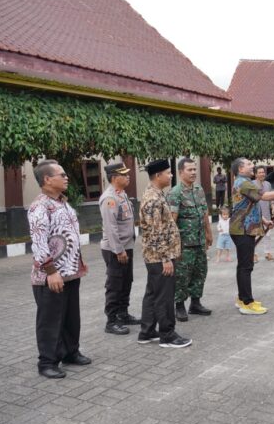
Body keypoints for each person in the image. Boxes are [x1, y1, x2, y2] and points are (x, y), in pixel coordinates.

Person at [28, 160, 90, 379]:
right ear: (47, 179)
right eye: (61, 175)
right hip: (50, 275)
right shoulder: (39, 207)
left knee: (71, 318)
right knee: (50, 320)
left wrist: (78, 263)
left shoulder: (63, 202)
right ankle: (47, 362)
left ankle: (70, 352)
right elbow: (39, 242)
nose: (66, 178)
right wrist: (51, 271)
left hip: (70, 272)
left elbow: (68, 235)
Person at [230, 157, 274, 315]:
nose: (253, 166)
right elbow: (265, 196)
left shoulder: (243, 182)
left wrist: (264, 220)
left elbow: (247, 206)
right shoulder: (243, 183)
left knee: (243, 265)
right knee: (246, 266)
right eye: (249, 164)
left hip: (244, 228)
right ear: (240, 169)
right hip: (242, 230)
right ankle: (247, 303)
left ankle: (242, 298)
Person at [137, 159, 191, 348]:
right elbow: (155, 232)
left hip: (156, 256)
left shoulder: (157, 194)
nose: (171, 176)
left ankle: (147, 331)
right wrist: (166, 258)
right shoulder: (152, 199)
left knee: (153, 294)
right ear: (158, 175)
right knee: (164, 297)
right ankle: (167, 335)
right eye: (168, 173)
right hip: (159, 257)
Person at [166, 157, 213, 322]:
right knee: (182, 275)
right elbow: (171, 221)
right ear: (180, 172)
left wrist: (209, 232)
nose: (193, 172)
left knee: (200, 272)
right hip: (184, 244)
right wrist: (173, 246)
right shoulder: (175, 193)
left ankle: (195, 303)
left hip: (199, 241)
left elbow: (205, 212)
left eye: (195, 169)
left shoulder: (199, 189)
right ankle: (179, 306)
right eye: (190, 170)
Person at [99, 162, 138, 336]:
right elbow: (111, 227)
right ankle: (112, 321)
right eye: (124, 175)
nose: (128, 177)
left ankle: (123, 313)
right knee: (115, 284)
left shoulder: (121, 194)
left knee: (126, 281)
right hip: (115, 249)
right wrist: (119, 250)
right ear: (115, 178)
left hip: (126, 246)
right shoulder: (110, 198)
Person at [254, 165, 274, 262]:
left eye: (263, 172)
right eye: (260, 172)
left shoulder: (268, 184)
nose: (262, 174)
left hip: (266, 213)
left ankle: (267, 253)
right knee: (255, 235)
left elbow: (271, 197)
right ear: (255, 174)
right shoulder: (252, 184)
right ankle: (254, 254)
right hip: (255, 214)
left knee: (268, 234)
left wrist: (272, 207)